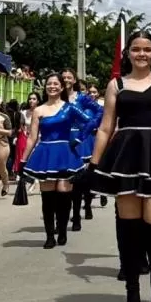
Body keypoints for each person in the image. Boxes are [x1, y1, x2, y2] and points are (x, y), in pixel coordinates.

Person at [88, 31, 151, 302]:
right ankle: (132, 290)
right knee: (128, 227)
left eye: (147, 49)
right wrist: (93, 165)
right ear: (128, 53)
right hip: (126, 156)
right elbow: (106, 127)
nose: (141, 54)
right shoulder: (116, 84)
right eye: (136, 49)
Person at [20, 74, 91, 248]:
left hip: (66, 153)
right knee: (48, 197)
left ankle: (63, 229)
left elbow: (90, 122)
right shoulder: (38, 110)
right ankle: (50, 235)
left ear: (61, 87)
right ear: (45, 87)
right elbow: (32, 138)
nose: (52, 86)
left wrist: (79, 140)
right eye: (49, 84)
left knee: (64, 194)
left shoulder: (70, 107)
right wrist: (23, 159)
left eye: (55, 83)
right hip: (45, 153)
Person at [61, 69, 102, 228]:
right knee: (61, 181)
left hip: (79, 140)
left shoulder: (81, 97)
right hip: (60, 140)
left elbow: (99, 112)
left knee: (77, 181)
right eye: (63, 77)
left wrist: (86, 129)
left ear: (74, 79)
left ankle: (78, 213)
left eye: (69, 77)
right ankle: (62, 218)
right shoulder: (55, 96)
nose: (66, 79)